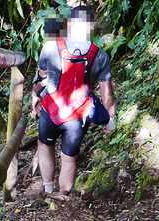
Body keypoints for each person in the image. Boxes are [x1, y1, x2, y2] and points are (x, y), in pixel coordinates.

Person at [33, 5, 117, 197]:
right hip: (78, 116)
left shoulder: (50, 45)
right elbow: (107, 94)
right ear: (91, 26)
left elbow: (41, 76)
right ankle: (63, 195)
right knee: (69, 158)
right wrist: (109, 116)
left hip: (51, 110)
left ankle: (47, 189)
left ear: (70, 24)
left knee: (45, 145)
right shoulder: (100, 55)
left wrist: (36, 98)